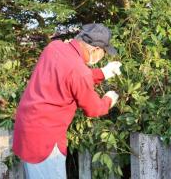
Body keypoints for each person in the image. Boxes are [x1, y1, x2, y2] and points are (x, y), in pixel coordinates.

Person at [12, 23, 122, 179]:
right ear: (95, 49)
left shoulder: (54, 47)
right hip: (44, 142)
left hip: (27, 130)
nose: (104, 56)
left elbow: (67, 77)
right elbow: (94, 108)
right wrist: (109, 99)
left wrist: (102, 73)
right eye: (104, 52)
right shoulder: (79, 71)